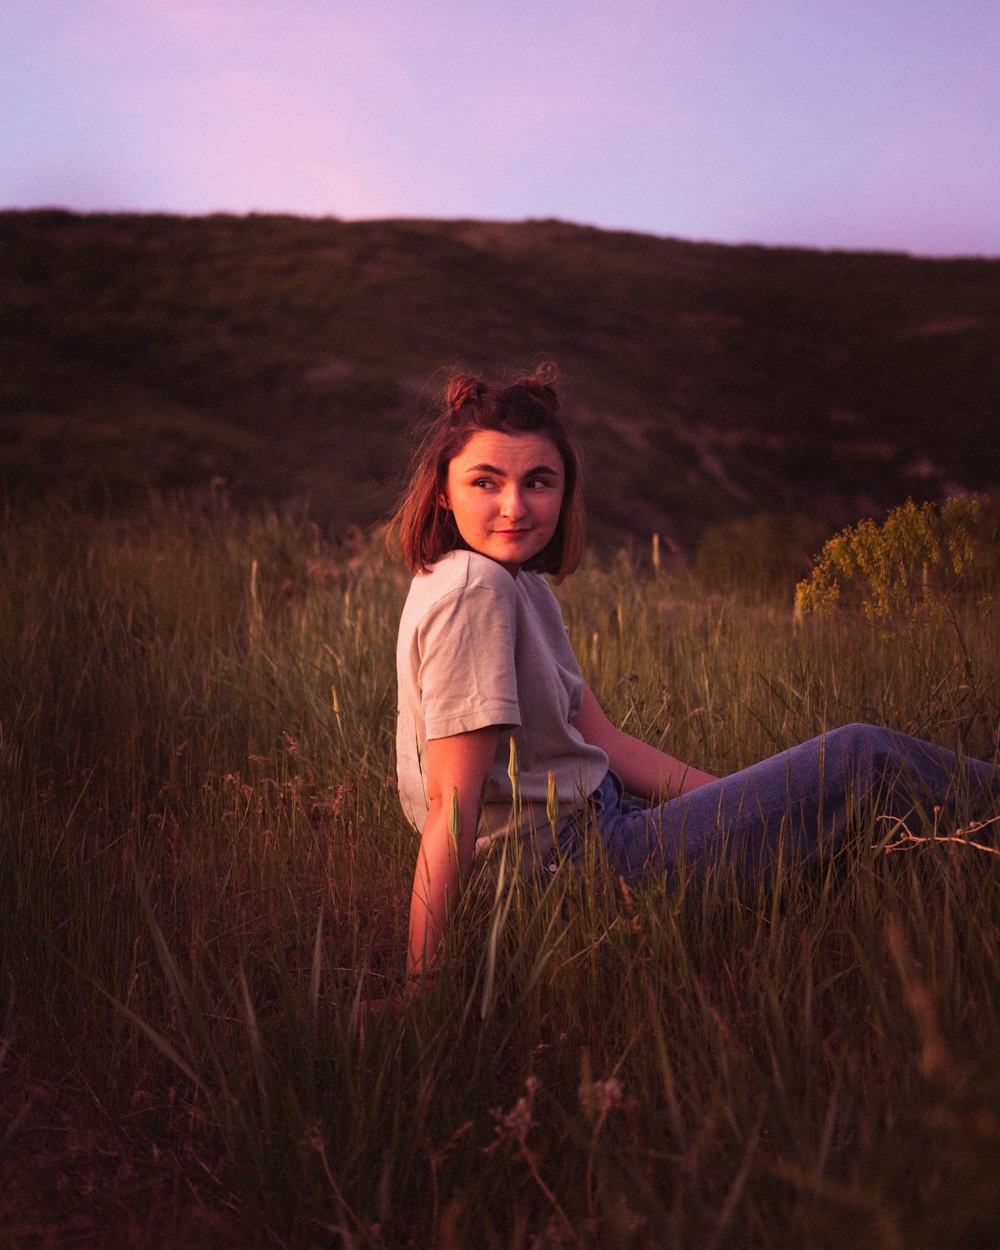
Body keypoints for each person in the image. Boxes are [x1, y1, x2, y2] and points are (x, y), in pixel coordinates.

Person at [389, 363, 998, 983]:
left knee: (844, 814)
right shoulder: (476, 591)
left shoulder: (518, 585)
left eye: (538, 482)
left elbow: (604, 741)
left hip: (604, 824)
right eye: (485, 482)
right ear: (443, 490)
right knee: (863, 756)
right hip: (572, 870)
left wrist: (746, 802)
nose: (514, 507)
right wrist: (422, 989)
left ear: (564, 490)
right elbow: (452, 805)